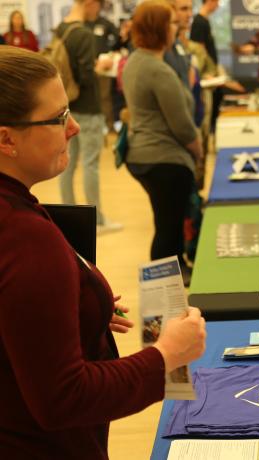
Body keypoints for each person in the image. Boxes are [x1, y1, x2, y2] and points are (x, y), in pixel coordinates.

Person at [0, 45, 207, 458]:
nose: (74, 127)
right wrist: (165, 356)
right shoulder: (24, 238)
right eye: (58, 118)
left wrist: (75, 309)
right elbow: (63, 399)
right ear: (6, 138)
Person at [122, 0, 203, 284]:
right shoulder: (158, 70)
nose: (176, 26)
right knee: (168, 228)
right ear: (159, 29)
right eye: (171, 22)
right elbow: (182, 125)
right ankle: (162, 291)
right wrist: (198, 150)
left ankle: (175, 272)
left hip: (143, 155)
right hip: (163, 159)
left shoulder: (135, 61)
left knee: (166, 223)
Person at [58, 0, 122, 234]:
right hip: (88, 107)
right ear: (90, 3)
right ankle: (96, 220)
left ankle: (65, 216)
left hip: (67, 108)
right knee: (90, 164)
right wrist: (100, 66)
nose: (99, 10)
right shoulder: (83, 33)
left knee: (67, 164)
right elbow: (86, 76)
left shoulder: (61, 29)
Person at [84, 0, 121, 131]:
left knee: (105, 97)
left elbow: (118, 39)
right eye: (90, 4)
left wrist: (110, 55)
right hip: (86, 67)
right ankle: (93, 126)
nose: (92, 7)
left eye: (95, 4)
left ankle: (109, 125)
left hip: (104, 67)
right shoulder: (81, 24)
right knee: (89, 97)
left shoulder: (105, 23)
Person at [191, 0, 221, 135]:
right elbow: (199, 52)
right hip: (205, 78)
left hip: (211, 74)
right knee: (206, 116)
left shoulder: (205, 21)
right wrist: (206, 73)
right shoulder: (199, 22)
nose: (218, 5)